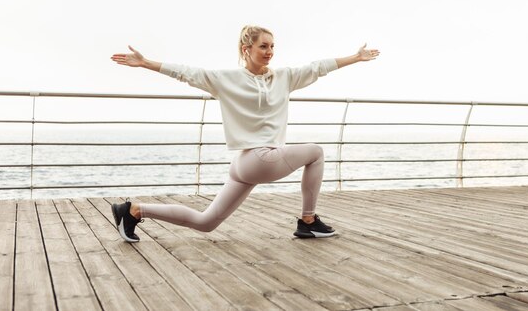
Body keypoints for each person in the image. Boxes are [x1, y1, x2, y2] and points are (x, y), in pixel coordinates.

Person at [110, 25, 380, 242]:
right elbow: (187, 73)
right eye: (263, 46)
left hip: (246, 166)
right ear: (246, 49)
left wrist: (355, 58)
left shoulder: (283, 77)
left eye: (272, 46)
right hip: (256, 160)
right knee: (316, 152)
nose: (270, 51)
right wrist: (145, 63)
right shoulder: (226, 79)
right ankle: (308, 221)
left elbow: (317, 67)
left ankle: (134, 210)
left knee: (206, 223)